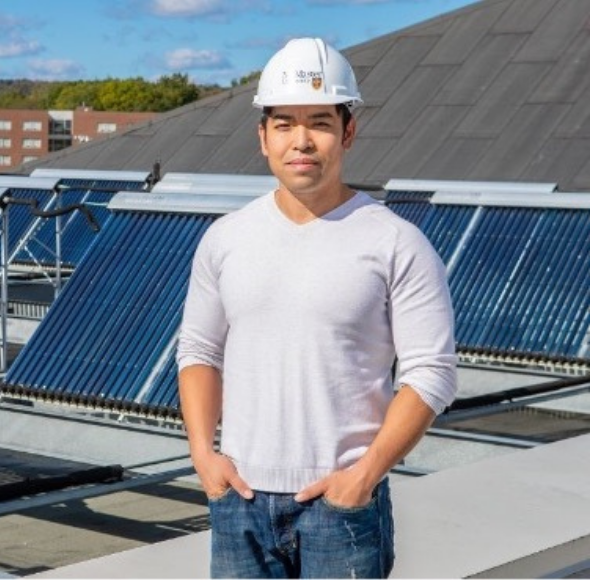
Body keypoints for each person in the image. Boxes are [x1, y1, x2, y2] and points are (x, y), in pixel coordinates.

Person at [176, 37, 457, 579]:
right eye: (284, 124)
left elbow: (432, 373)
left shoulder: (397, 242)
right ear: (262, 137)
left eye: (320, 123)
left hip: (342, 506)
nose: (301, 141)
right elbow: (199, 350)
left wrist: (363, 476)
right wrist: (202, 457)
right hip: (238, 498)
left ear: (348, 132)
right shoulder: (225, 238)